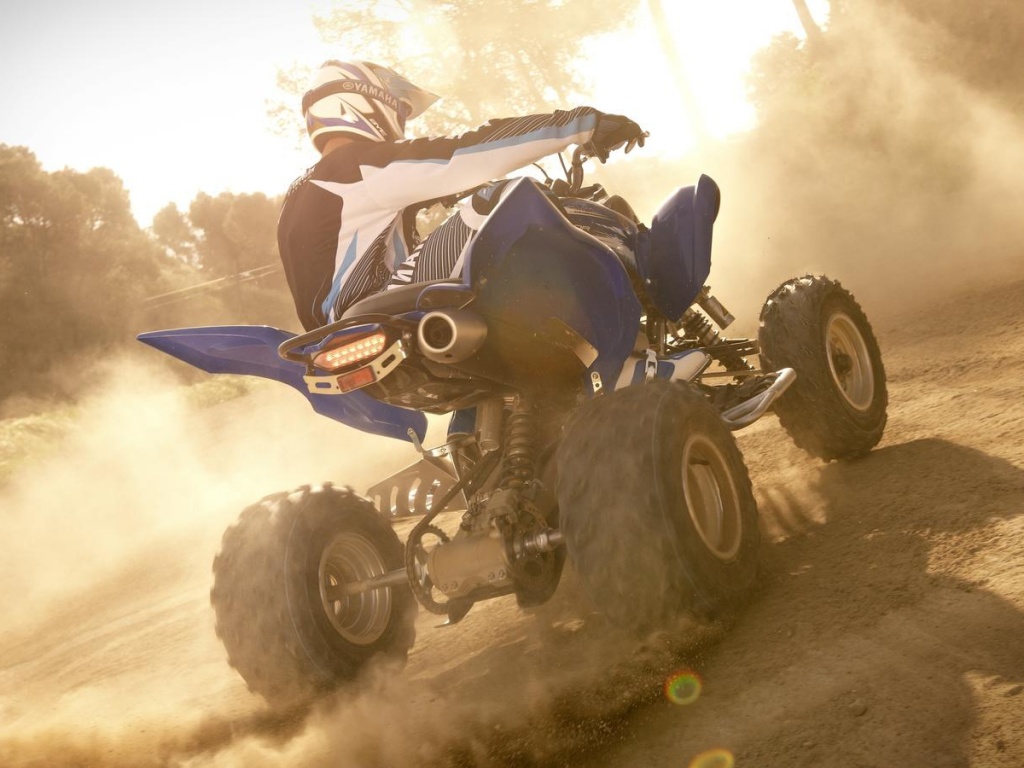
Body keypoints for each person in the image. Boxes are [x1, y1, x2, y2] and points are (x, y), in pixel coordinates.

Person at [277, 60, 706, 385]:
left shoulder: (305, 192)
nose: (402, 124)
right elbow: (469, 150)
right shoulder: (357, 165)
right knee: (504, 198)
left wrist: (440, 195)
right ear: (364, 103)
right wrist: (583, 125)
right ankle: (625, 363)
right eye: (400, 111)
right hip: (378, 312)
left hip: (343, 342)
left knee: (480, 243)